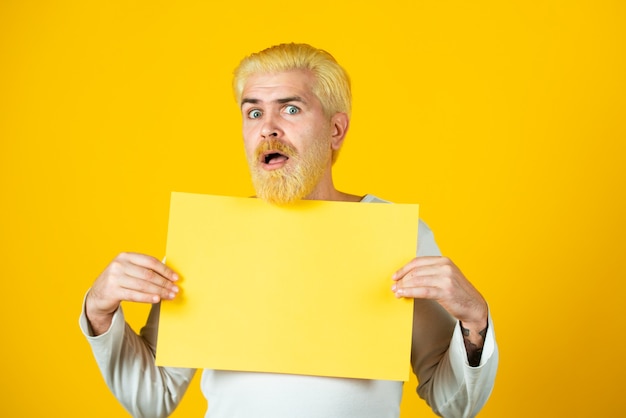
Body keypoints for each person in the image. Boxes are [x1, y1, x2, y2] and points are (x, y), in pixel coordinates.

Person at [79, 43, 498, 418]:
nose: (268, 127)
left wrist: (474, 321)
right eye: (254, 111)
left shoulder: (396, 234)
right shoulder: (212, 237)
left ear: (336, 130)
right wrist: (100, 311)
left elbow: (455, 403)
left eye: (291, 108)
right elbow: (152, 398)